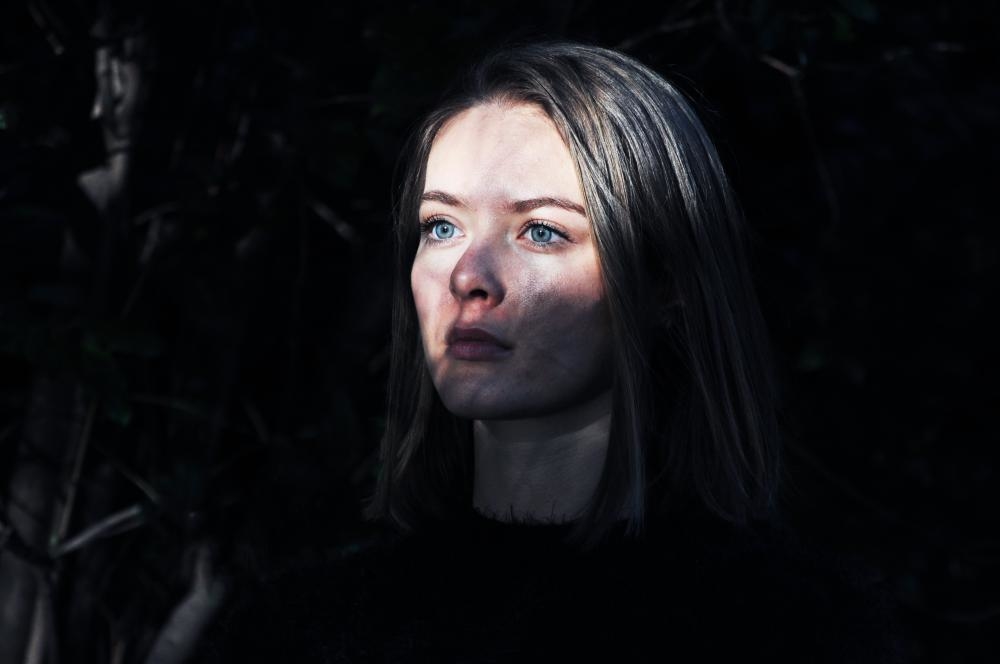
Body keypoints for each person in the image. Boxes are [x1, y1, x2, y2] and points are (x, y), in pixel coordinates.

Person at [198, 41, 906, 663]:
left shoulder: (794, 635)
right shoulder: (300, 634)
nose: (467, 277)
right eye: (441, 226)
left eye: (541, 231)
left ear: (665, 282)